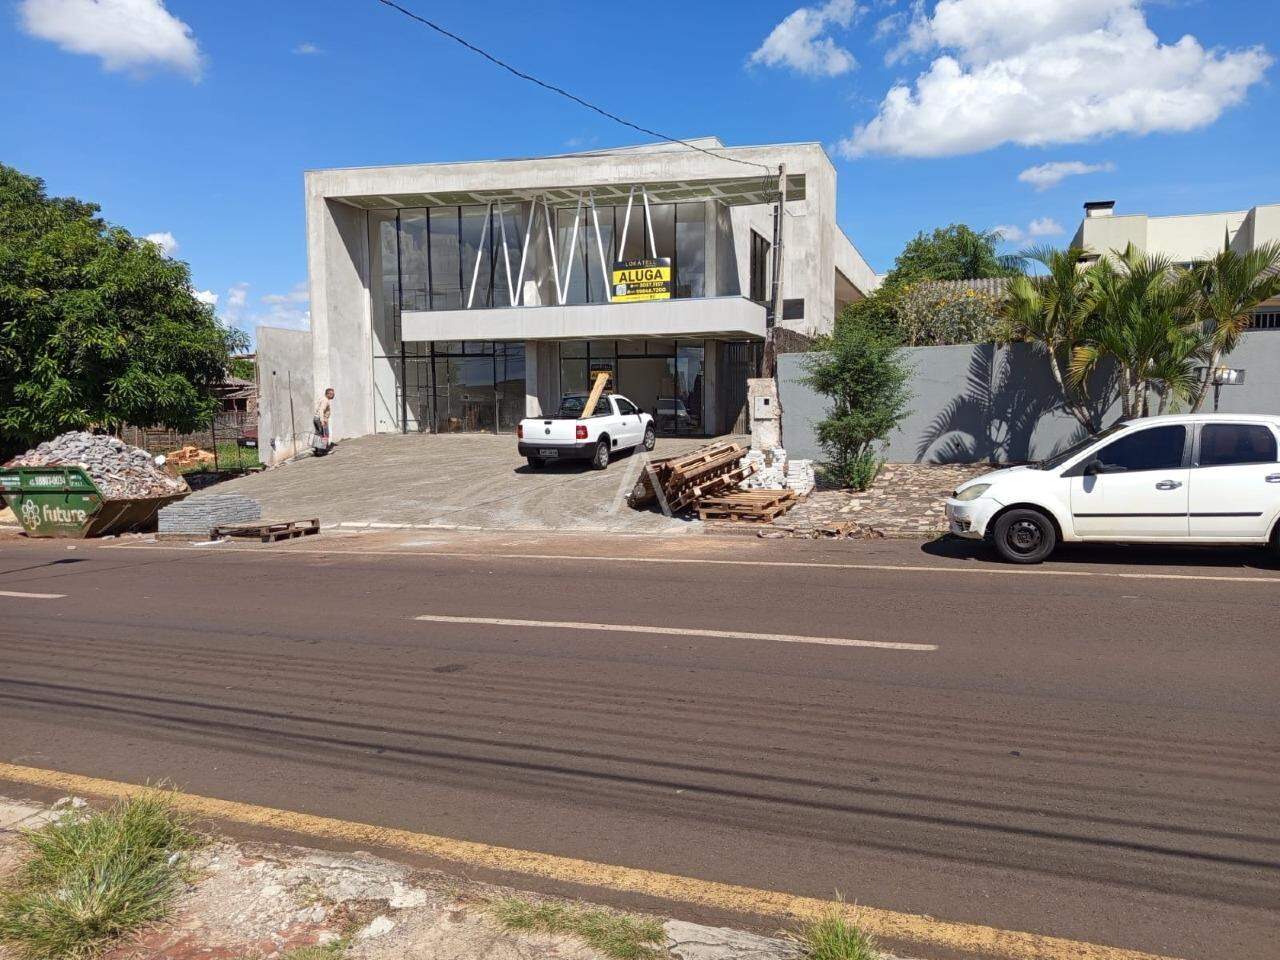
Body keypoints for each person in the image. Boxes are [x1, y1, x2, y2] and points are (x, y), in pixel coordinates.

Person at [313, 387, 335, 455]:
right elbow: (321, 410)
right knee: (325, 435)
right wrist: (322, 421)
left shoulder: (322, 399)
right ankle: (323, 450)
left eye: (333, 394)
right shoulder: (325, 400)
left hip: (316, 418)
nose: (333, 395)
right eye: (331, 394)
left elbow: (317, 408)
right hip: (321, 419)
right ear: (327, 394)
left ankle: (317, 450)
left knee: (318, 434)